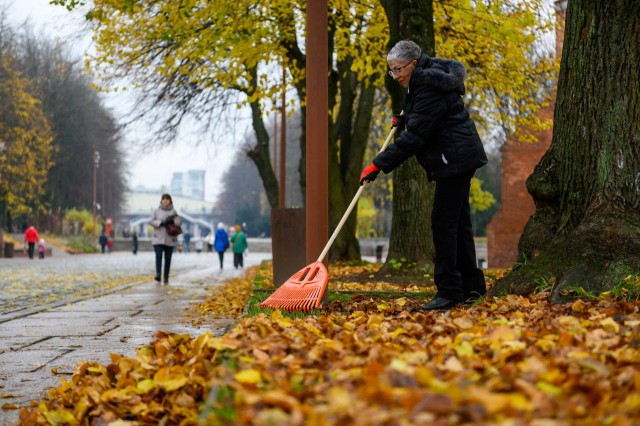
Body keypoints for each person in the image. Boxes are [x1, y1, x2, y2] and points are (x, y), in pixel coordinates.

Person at [360, 40, 488, 311]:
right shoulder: (424, 81)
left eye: (398, 69)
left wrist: (378, 165)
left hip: (454, 158)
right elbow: (425, 120)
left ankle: (449, 291)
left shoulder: (428, 86)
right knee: (459, 224)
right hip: (457, 155)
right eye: (391, 71)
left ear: (414, 64)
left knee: (443, 223)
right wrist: (404, 121)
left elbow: (416, 138)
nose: (395, 76)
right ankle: (472, 288)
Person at [149, 193, 183, 284]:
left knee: (168, 259)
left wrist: (172, 220)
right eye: (163, 199)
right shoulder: (156, 211)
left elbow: (179, 222)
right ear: (161, 200)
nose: (165, 200)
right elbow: (150, 221)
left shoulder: (173, 211)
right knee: (158, 255)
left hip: (170, 238)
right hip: (158, 238)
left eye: (167, 199)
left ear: (170, 201)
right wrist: (160, 223)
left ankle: (166, 277)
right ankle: (158, 274)